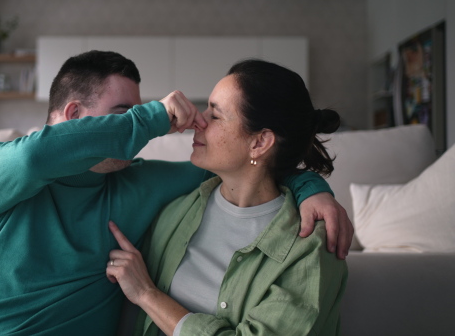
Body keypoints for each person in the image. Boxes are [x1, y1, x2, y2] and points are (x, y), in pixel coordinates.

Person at [0, 51, 352, 335]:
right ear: (74, 117)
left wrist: (310, 186)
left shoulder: (140, 185)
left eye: (139, 111)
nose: (133, 133)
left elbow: (249, 175)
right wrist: (152, 117)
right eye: (124, 115)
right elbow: (36, 158)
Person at [105, 59, 348, 336]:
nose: (197, 121)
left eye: (215, 115)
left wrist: (147, 294)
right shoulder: (178, 207)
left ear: (259, 142)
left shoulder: (310, 247)